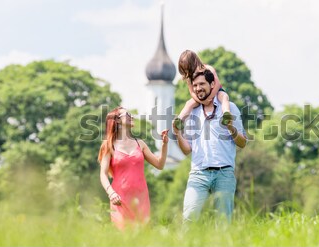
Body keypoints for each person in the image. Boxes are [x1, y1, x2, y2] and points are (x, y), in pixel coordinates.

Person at [173, 69, 247, 223]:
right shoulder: (191, 113)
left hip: (224, 173)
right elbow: (187, 150)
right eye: (195, 85)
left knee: (223, 221)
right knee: (189, 218)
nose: (198, 88)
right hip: (198, 173)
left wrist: (231, 128)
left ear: (212, 84)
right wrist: (177, 134)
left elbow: (243, 143)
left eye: (202, 84)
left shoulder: (230, 108)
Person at [98, 106, 169, 229]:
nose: (131, 117)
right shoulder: (109, 145)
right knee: (123, 237)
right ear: (118, 120)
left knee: (141, 236)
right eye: (127, 115)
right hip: (120, 199)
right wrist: (111, 193)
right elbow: (103, 174)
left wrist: (164, 144)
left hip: (141, 198)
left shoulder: (139, 143)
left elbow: (159, 164)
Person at [175, 50, 233, 129]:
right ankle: (180, 119)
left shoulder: (208, 68)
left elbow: (217, 84)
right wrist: (202, 101)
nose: (188, 72)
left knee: (224, 96)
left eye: (188, 69)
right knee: (189, 103)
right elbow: (192, 92)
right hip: (200, 97)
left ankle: (226, 113)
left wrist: (210, 97)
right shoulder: (189, 78)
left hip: (215, 91)